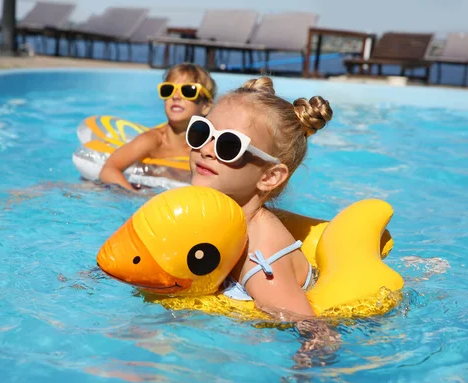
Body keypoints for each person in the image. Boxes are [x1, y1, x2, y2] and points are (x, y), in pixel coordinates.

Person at [187, 76, 333, 320]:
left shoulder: (260, 251)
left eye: (229, 146)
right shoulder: (200, 213)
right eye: (202, 132)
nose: (206, 150)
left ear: (270, 176)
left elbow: (314, 331)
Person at [99, 63, 217, 191]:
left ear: (206, 106)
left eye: (188, 91)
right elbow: (109, 169)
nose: (176, 96)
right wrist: (135, 197)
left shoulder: (209, 147)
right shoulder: (153, 141)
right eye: (168, 90)